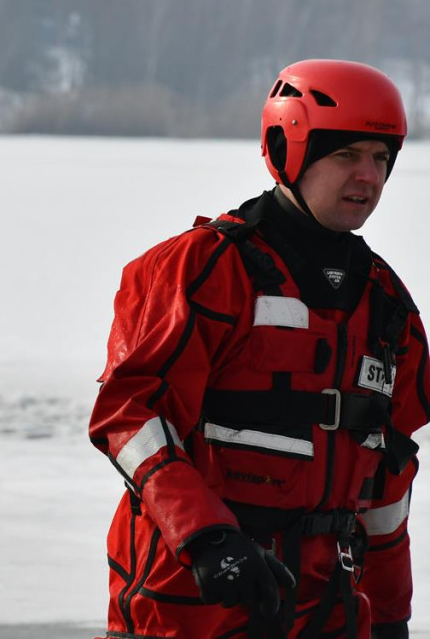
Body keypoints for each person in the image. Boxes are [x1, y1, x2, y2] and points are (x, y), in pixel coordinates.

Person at [89, 59, 426, 639]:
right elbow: (131, 416)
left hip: (329, 606)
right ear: (286, 149)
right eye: (346, 155)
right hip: (197, 598)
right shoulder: (203, 271)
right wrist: (206, 537)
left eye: (380, 158)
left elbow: (387, 481)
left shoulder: (387, 305)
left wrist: (392, 614)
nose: (367, 176)